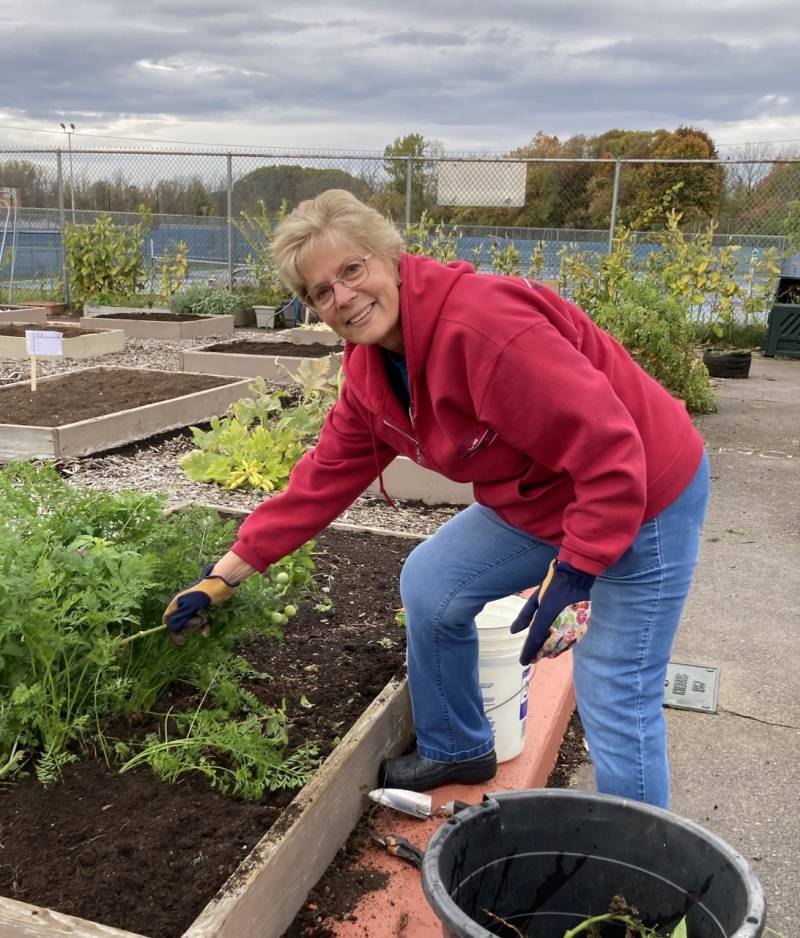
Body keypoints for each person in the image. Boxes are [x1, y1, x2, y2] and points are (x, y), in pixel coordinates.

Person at [163, 189, 709, 808]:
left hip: (645, 492)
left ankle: (637, 883)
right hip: (541, 498)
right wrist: (224, 575)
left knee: (615, 689)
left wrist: (579, 565)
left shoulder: (483, 328)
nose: (342, 296)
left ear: (391, 258)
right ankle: (457, 747)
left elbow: (612, 451)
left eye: (352, 269)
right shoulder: (372, 373)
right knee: (432, 582)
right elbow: (322, 479)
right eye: (320, 291)